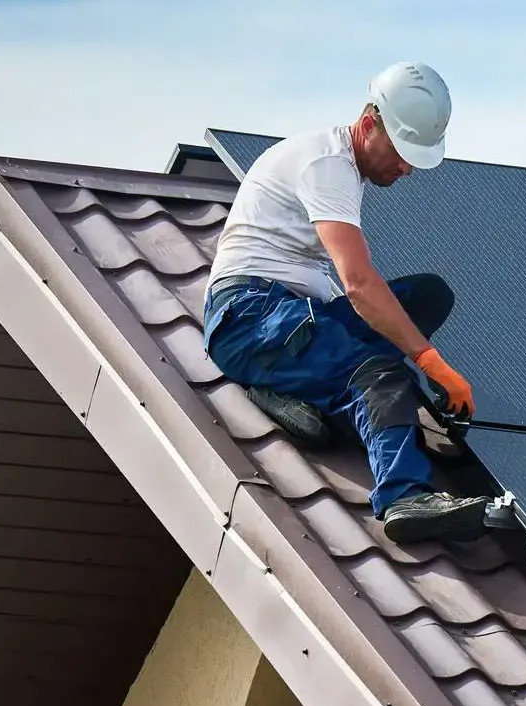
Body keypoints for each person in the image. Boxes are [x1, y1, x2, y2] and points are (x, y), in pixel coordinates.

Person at [200, 61, 491, 543]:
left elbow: (343, 293)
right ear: (370, 120)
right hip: (250, 321)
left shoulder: (341, 167)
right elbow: (357, 284)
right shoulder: (328, 165)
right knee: (378, 373)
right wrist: (430, 362)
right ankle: (403, 497)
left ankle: (293, 390)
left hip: (287, 317)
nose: (406, 167)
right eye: (402, 152)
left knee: (427, 294)